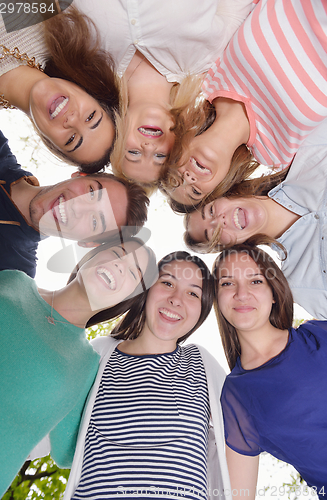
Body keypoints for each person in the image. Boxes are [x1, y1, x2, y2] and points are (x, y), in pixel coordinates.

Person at [0, 236, 157, 500]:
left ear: (130, 298)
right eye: (118, 253)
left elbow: (73, 452)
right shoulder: (12, 280)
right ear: (90, 254)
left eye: (132, 272)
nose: (119, 265)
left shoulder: (87, 365)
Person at [62, 251, 231, 500]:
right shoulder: (98, 354)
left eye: (193, 293)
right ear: (146, 289)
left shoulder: (202, 364)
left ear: (202, 312)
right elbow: (43, 423)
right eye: (167, 283)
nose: (176, 299)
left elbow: (242, 440)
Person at [74, 0, 255, 190]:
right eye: (160, 157)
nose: (149, 148)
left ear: (117, 139)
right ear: (177, 145)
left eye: (133, 153)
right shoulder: (207, 61)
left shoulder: (88, 61)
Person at [162, 0, 327, 206]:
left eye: (175, 177)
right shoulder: (280, 156)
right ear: (219, 188)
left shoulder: (207, 77)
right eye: (195, 192)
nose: (188, 178)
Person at [213, 244, 327, 498]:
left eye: (255, 281)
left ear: (273, 293)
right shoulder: (236, 396)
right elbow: (238, 494)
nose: (242, 294)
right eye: (227, 284)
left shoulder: (320, 335)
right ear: (216, 297)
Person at [184, 118, 327, 320]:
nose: (220, 221)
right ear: (231, 247)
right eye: (213, 233)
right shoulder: (303, 284)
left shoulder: (311, 146)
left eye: (211, 211)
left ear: (226, 193)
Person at [0, 124, 149, 278]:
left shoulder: (13, 275)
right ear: (80, 175)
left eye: (94, 222)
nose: (78, 207)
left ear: (87, 243)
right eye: (91, 192)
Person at [0, 1, 120, 171]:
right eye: (90, 117)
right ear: (89, 91)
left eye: (71, 139)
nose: (72, 120)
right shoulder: (48, 24)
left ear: (50, 142)